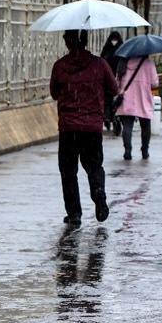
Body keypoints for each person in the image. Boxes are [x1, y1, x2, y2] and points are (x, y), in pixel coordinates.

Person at [50, 29, 118, 227]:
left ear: (67, 43)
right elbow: (113, 88)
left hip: (68, 128)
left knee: (68, 170)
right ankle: (99, 198)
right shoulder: (99, 64)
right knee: (94, 166)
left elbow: (54, 93)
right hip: (92, 127)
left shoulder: (60, 66)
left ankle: (74, 213)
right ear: (86, 41)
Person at [114, 54, 159, 161]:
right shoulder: (149, 64)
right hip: (143, 98)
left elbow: (117, 82)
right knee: (145, 125)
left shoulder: (124, 63)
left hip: (127, 98)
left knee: (127, 125)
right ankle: (145, 150)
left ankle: (127, 150)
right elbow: (155, 83)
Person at [99, 31, 124, 134]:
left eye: (115, 39)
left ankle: (114, 118)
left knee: (115, 100)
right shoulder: (107, 50)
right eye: (112, 39)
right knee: (108, 100)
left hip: (117, 79)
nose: (114, 41)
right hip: (107, 80)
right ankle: (108, 118)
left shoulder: (121, 50)